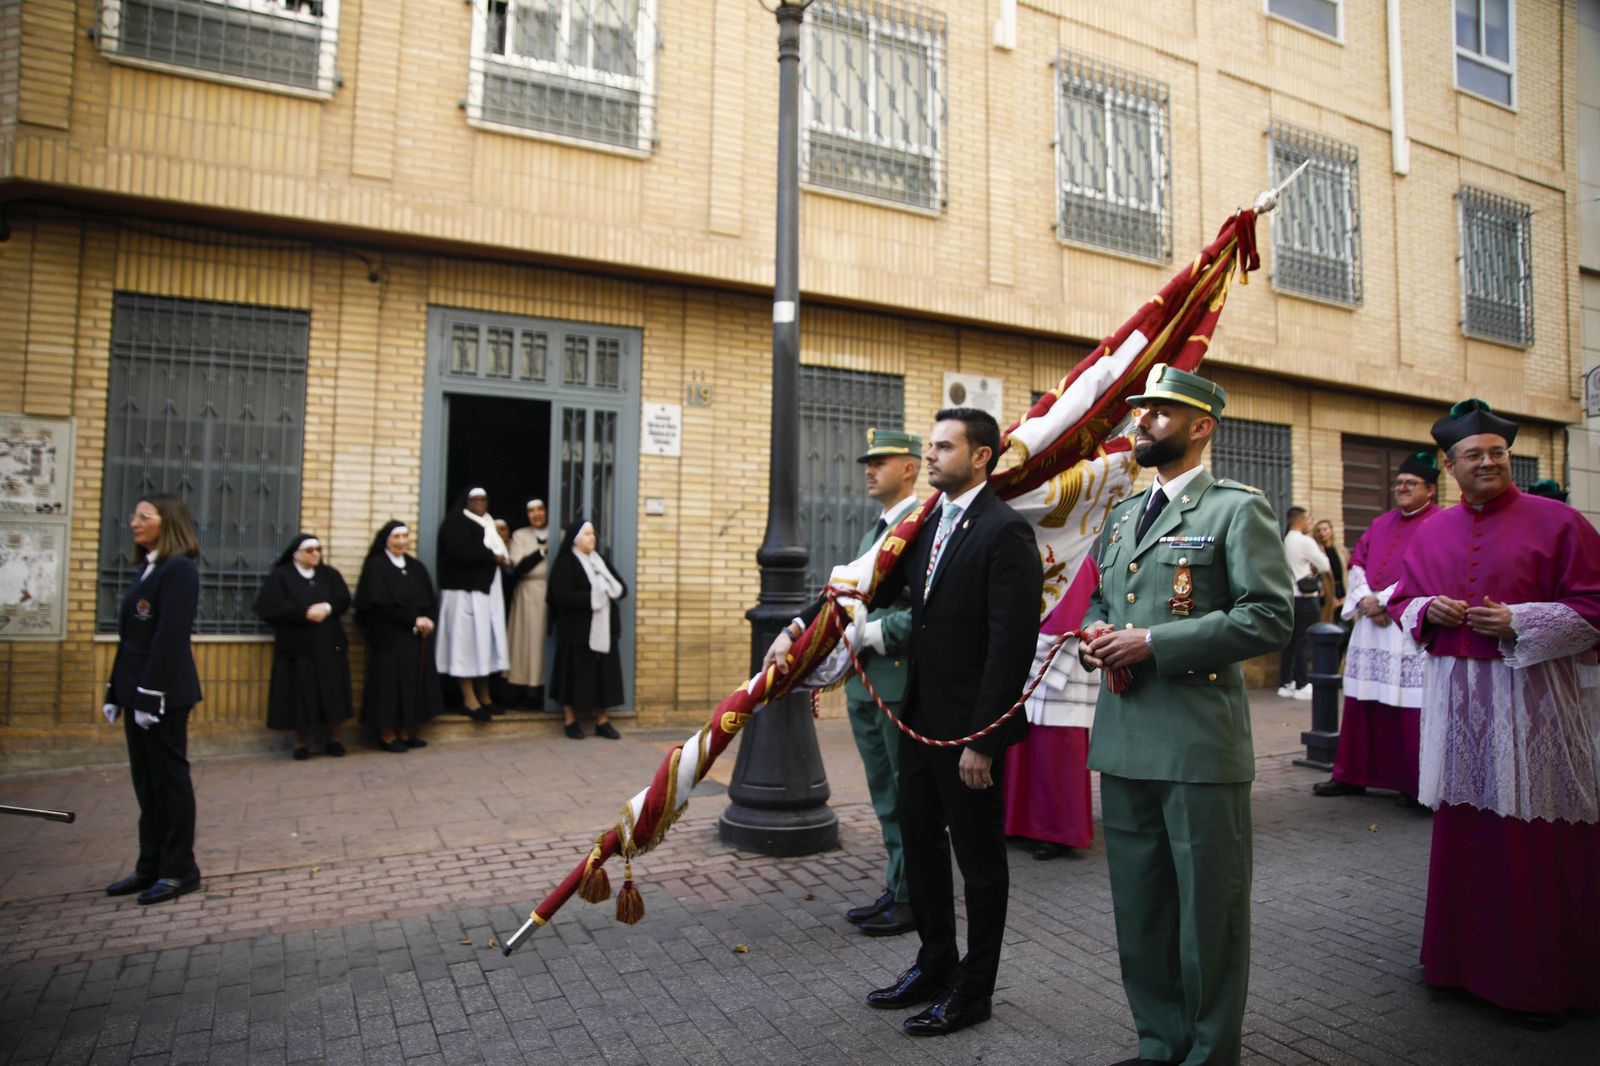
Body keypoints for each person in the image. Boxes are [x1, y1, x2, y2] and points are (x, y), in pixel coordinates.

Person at [765, 407, 1042, 1038]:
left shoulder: (1004, 531)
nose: (932, 455)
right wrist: (797, 628)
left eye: (944, 447)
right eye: (932, 446)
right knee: (920, 845)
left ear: (981, 457)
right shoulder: (926, 524)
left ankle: (975, 990)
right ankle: (936, 963)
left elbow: (1011, 646)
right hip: (918, 720)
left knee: (979, 863)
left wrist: (985, 740)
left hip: (969, 733)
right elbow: (863, 588)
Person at [1079, 365, 1294, 1066]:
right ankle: (1159, 1042)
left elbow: (1270, 616)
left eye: (1159, 412)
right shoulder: (1121, 515)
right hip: (1125, 738)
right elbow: (1103, 601)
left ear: (1202, 426)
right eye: (1140, 412)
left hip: (1198, 743)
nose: (1141, 422)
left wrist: (1154, 643)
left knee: (1209, 914)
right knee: (1141, 910)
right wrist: (1094, 636)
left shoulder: (1235, 509)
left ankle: (1208, 1053)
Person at [1388, 399, 1600, 1024]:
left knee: (1536, 835)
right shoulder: (1432, 530)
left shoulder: (1561, 522)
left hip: (1532, 700)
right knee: (1465, 827)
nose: (1487, 462)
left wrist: (1520, 621)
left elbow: (1595, 606)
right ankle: (1459, 965)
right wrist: (1428, 610)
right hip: (1458, 702)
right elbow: (1402, 601)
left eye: (1497, 453)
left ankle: (1540, 979)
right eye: (1473, 455)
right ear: (1451, 467)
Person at [1311, 452, 1440, 804]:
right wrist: (1366, 599)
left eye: (1411, 483)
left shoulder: (1440, 523)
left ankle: (1412, 784)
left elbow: (1429, 571)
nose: (1402, 488)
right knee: (1361, 700)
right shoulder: (1381, 523)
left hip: (1406, 627)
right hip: (1371, 626)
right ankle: (1352, 775)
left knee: (1408, 705)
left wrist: (1384, 601)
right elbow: (1357, 564)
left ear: (1430, 489)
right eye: (1399, 483)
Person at [102, 492, 205, 906]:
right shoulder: (148, 568)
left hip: (163, 695)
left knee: (169, 781)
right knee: (146, 783)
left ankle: (180, 870)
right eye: (135, 515)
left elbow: (169, 636)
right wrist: (116, 690)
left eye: (145, 516)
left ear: (168, 522)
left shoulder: (179, 569)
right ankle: (150, 865)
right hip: (136, 691)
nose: (134, 522)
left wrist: (151, 694)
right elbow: (132, 638)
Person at [840, 429, 920, 938]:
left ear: (909, 467)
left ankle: (914, 895)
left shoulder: (920, 526)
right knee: (884, 793)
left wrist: (871, 633)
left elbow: (929, 610)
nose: (870, 470)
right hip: (865, 681)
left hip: (897, 678)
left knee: (905, 793)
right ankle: (899, 884)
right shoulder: (879, 529)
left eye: (881, 461)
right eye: (867, 462)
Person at [252, 533, 352, 760]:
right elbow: (271, 606)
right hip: (297, 648)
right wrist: (303, 613)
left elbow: (343, 598)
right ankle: (301, 742)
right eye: (310, 550)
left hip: (328, 645)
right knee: (299, 695)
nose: (315, 554)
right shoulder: (281, 576)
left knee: (332, 693)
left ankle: (335, 740)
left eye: (318, 550)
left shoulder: (330, 574)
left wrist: (326, 607)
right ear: (296, 554)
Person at [354, 522, 441, 752]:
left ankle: (405, 731)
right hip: (387, 637)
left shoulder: (415, 567)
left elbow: (429, 601)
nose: (401, 541)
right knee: (388, 686)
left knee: (410, 684)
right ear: (386, 539)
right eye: (396, 537)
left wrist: (428, 620)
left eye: (405, 536)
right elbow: (377, 606)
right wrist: (412, 620)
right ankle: (387, 734)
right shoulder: (377, 566)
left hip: (414, 638)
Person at [546, 518, 627, 739]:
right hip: (575, 631)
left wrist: (605, 591)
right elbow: (561, 596)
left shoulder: (600, 561)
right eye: (588, 534)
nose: (593, 538)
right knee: (571, 675)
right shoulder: (566, 563)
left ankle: (602, 721)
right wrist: (593, 597)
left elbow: (621, 587)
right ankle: (570, 720)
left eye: (593, 534)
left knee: (603, 676)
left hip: (603, 629)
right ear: (576, 539)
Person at [434, 487, 508, 721]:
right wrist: (491, 557)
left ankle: (484, 696)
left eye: (483, 499)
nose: (479, 503)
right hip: (463, 594)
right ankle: (469, 699)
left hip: (487, 593)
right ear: (465, 501)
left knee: (484, 644)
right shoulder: (455, 522)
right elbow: (461, 551)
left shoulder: (489, 523)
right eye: (474, 499)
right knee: (465, 645)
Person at [1277, 506, 1329, 700]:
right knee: (1304, 641)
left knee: (1289, 641)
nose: (1309, 523)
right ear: (1300, 520)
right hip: (1306, 598)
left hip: (1289, 596)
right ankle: (1301, 684)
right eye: (1308, 519)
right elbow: (1325, 565)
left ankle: (1286, 683)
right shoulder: (1305, 541)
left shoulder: (1284, 540)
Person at [506, 498, 552, 709]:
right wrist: (542, 551)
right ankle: (530, 692)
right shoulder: (520, 535)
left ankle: (548, 692)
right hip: (528, 594)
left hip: (550, 592)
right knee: (528, 643)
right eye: (531, 511)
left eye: (540, 509)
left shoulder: (558, 533)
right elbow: (518, 567)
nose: (536, 514)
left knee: (546, 642)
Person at [1312, 519, 1346, 623]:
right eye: (1319, 530)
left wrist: (1346, 597)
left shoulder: (1341, 550)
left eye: (1325, 529)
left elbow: (1348, 572)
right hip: (1327, 591)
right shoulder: (1316, 551)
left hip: (1343, 590)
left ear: (1331, 530)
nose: (1322, 533)